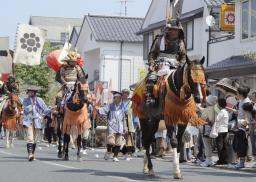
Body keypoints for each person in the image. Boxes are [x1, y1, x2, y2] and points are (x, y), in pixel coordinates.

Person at [145, 18, 186, 106]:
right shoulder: (159, 40)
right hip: (160, 63)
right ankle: (150, 97)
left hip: (175, 65)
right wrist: (152, 64)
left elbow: (183, 56)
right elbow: (152, 54)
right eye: (173, 30)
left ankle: (187, 97)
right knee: (151, 77)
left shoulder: (181, 42)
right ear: (168, 30)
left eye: (177, 30)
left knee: (186, 79)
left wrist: (181, 65)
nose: (175, 32)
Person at [98, 91, 128, 162]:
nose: (118, 99)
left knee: (118, 142)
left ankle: (115, 156)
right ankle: (108, 151)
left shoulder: (122, 107)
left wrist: (125, 127)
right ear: (114, 98)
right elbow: (103, 110)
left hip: (120, 126)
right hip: (111, 126)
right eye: (116, 98)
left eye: (119, 98)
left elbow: (124, 118)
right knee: (111, 141)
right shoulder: (110, 106)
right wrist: (97, 109)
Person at [23, 86, 50, 161]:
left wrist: (51, 109)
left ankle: (32, 154)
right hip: (29, 121)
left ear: (34, 93)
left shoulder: (40, 100)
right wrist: (32, 104)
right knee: (30, 138)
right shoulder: (26, 100)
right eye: (29, 91)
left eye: (31, 92)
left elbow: (45, 109)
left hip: (38, 121)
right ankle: (30, 154)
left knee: (35, 139)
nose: (29, 93)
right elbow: (26, 109)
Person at [200, 95, 218, 167]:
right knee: (209, 145)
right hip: (210, 129)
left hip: (206, 128)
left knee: (206, 144)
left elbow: (207, 119)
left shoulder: (209, 109)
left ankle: (208, 160)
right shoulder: (214, 108)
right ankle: (209, 159)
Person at [121, 88, 136, 160]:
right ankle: (121, 150)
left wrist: (136, 121)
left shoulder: (131, 102)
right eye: (124, 93)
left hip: (129, 121)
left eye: (127, 93)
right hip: (121, 121)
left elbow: (135, 113)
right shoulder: (119, 102)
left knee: (130, 136)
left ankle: (129, 151)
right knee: (121, 136)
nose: (125, 94)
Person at [215, 98, 229, 165]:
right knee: (224, 145)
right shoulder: (226, 111)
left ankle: (220, 160)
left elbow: (216, 119)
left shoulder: (221, 112)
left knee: (219, 145)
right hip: (225, 130)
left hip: (220, 130)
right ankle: (225, 159)